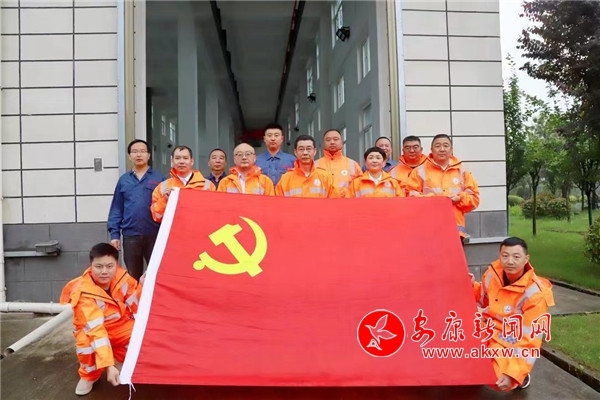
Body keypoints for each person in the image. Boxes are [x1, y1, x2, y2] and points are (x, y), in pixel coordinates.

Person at [470, 237, 554, 392]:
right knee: (457, 354)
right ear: (500, 256)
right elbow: (483, 298)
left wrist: (514, 374)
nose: (510, 261)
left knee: (496, 378)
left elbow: (530, 339)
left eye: (516, 257)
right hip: (487, 328)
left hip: (509, 338)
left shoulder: (535, 294)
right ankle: (478, 369)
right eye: (505, 256)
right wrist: (470, 286)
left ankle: (522, 377)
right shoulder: (492, 274)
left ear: (526, 259)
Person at [60, 243, 144, 396]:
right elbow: (96, 330)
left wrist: (144, 287)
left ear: (116, 265)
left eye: (109, 266)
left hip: (119, 326)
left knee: (141, 334)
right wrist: (108, 365)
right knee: (86, 344)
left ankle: (123, 361)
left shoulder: (123, 278)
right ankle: (90, 376)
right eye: (99, 266)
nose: (104, 271)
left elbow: (138, 304)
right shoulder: (82, 292)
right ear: (91, 266)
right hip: (94, 331)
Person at [107, 139, 166, 280]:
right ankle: (136, 296)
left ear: (149, 155)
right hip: (130, 235)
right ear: (129, 156)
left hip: (155, 235)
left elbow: (166, 206)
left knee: (156, 275)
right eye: (134, 152)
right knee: (133, 275)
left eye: (142, 151)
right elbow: (116, 208)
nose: (139, 155)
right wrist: (114, 235)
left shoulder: (160, 179)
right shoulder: (123, 180)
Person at [405, 134, 479, 241]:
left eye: (445, 145)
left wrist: (460, 199)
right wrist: (433, 200)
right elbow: (409, 197)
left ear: (451, 149)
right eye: (438, 146)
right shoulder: (419, 171)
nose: (442, 149)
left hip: (455, 230)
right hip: (427, 229)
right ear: (431, 150)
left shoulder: (462, 171)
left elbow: (475, 199)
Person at [151, 146, 216, 222]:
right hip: (175, 229)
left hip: (200, 228)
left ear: (192, 161)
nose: (181, 162)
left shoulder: (208, 185)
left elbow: (215, 213)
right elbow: (157, 217)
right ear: (172, 161)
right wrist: (164, 200)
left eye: (185, 158)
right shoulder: (163, 187)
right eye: (177, 158)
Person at [315, 129, 361, 197]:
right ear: (323, 143)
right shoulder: (315, 165)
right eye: (328, 140)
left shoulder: (353, 164)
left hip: (346, 202)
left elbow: (360, 186)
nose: (332, 142)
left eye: (335, 139)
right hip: (322, 202)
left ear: (342, 142)